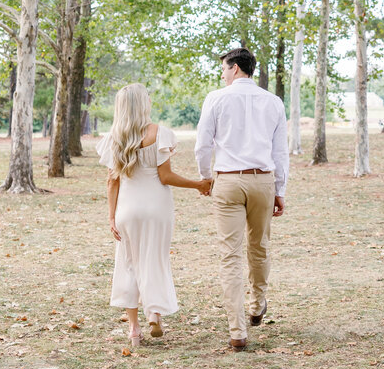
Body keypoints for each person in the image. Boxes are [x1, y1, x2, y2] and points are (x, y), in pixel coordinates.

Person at [97, 83, 210, 348]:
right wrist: (198, 184)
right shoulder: (159, 133)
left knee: (127, 263)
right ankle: (155, 313)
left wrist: (112, 218)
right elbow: (165, 176)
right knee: (154, 260)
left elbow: (112, 182)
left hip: (128, 209)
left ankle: (134, 330)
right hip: (157, 207)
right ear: (142, 104)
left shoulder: (114, 138)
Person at [195, 48, 288, 351]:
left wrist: (205, 176)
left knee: (230, 255)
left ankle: (237, 330)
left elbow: (202, 144)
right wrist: (280, 190)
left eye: (224, 68)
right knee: (259, 246)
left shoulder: (216, 98)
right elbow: (280, 152)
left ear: (235, 68)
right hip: (263, 180)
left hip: (229, 181)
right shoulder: (273, 102)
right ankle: (257, 303)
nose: (222, 74)